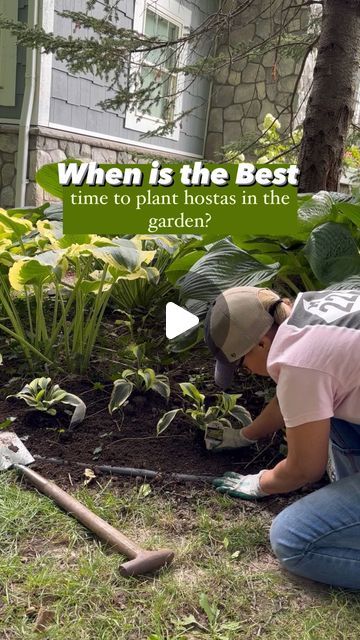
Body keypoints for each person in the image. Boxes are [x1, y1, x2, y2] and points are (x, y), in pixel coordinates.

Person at [204, 285, 360, 589]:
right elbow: (295, 401)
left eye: (241, 363)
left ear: (261, 344)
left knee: (292, 539)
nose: (246, 371)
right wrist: (245, 435)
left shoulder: (300, 364)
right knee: (336, 414)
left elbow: (305, 469)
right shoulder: (308, 312)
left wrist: (260, 482)